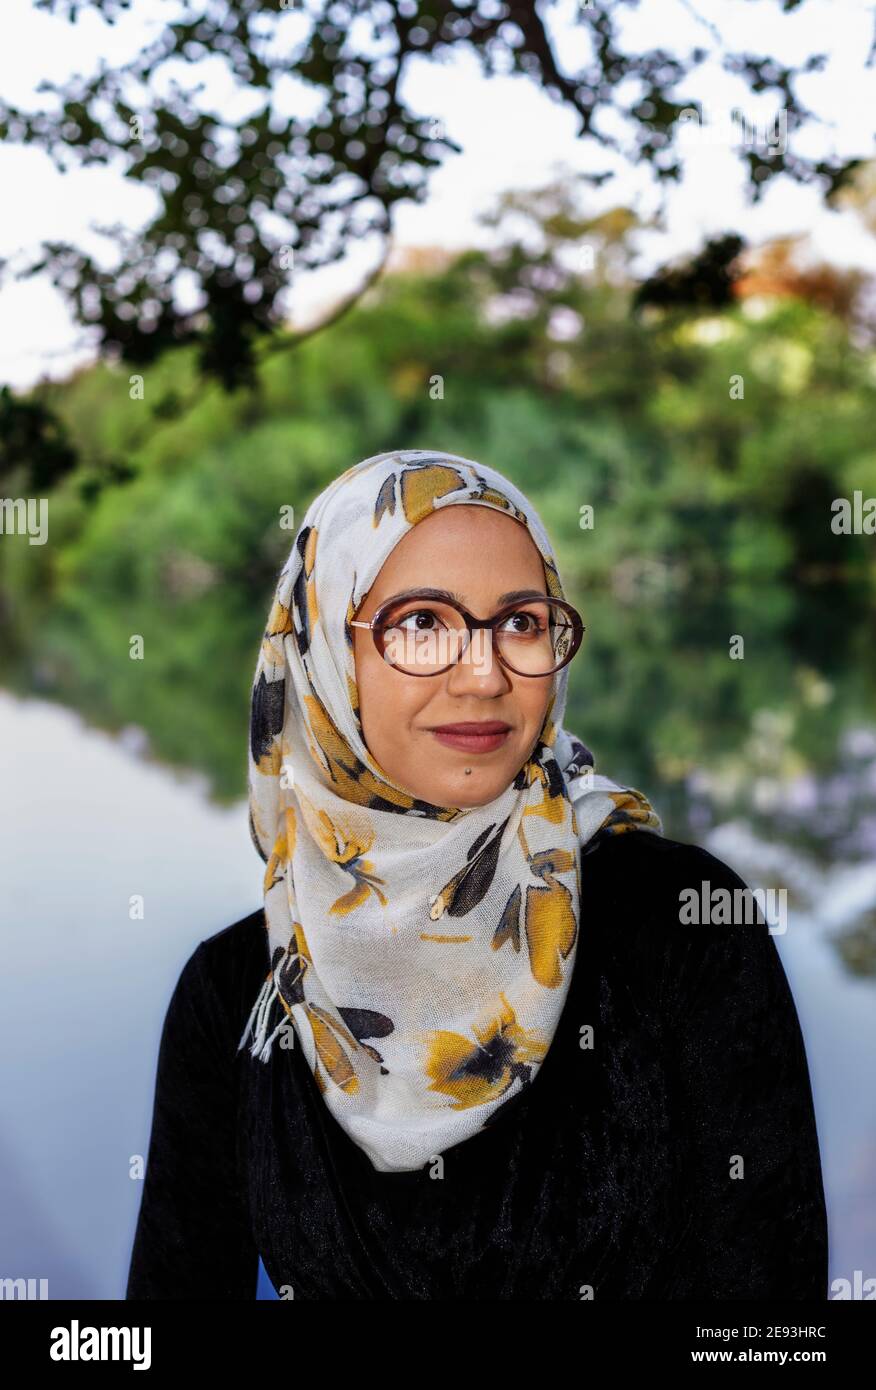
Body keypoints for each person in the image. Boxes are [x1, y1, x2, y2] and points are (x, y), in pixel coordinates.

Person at [126, 448, 828, 1300]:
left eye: (522, 622)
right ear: (321, 653)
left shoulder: (680, 924)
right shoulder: (236, 993)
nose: (486, 673)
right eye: (422, 623)